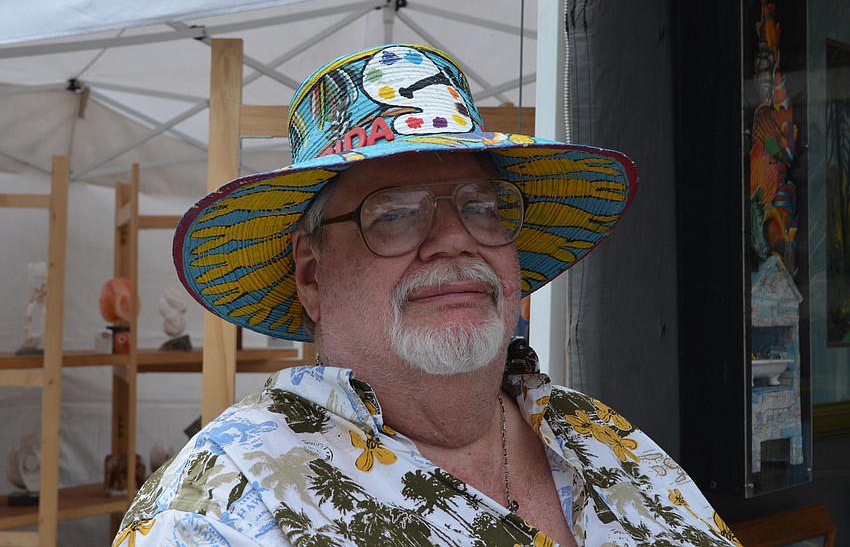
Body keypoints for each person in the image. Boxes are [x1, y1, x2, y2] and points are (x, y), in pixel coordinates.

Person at [113, 44, 740, 547]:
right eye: (392, 215)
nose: (453, 240)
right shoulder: (223, 503)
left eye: (484, 208)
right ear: (312, 275)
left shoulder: (602, 437)